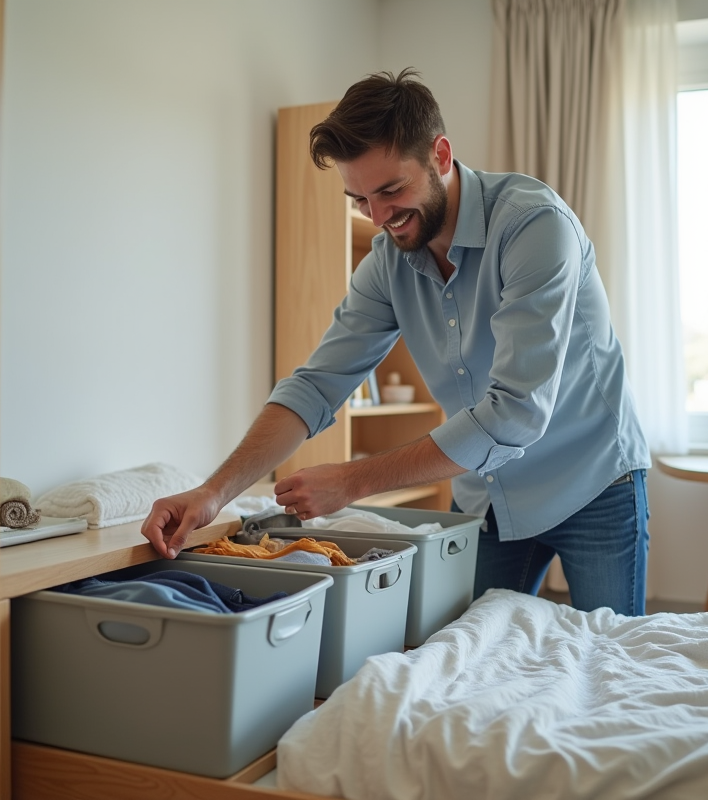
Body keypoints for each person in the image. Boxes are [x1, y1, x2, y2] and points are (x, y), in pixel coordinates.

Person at [142, 68, 651, 615]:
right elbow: (316, 386)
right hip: (488, 498)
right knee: (465, 658)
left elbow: (516, 413)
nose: (380, 217)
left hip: (592, 482)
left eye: (391, 190)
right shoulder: (388, 263)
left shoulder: (533, 227)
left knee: (609, 662)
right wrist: (212, 494)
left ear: (441, 155)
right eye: (359, 200)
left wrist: (352, 480)